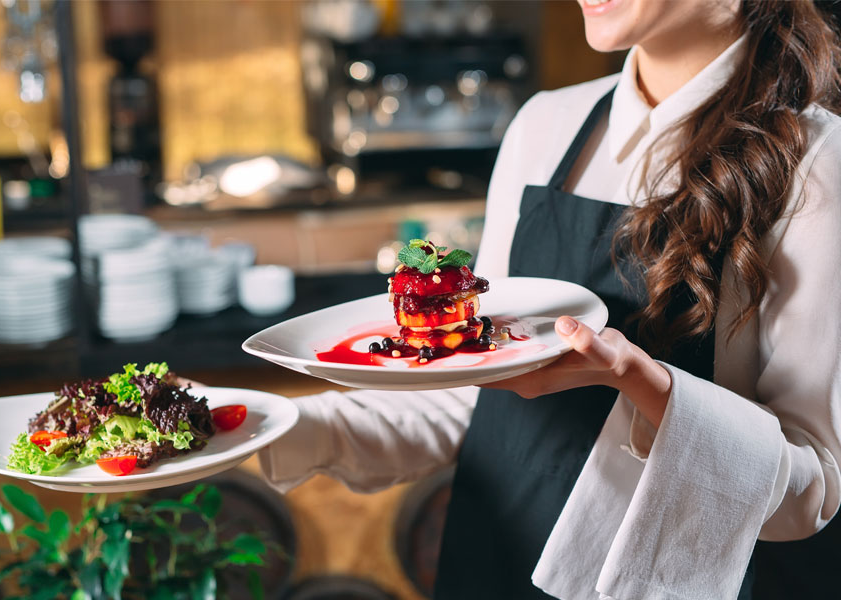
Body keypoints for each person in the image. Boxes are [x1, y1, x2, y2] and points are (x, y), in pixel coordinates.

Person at [258, 0, 841, 598]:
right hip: (492, 562)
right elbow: (470, 397)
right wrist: (271, 425)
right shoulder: (545, 125)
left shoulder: (818, 164)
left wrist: (645, 384)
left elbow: (810, 493)